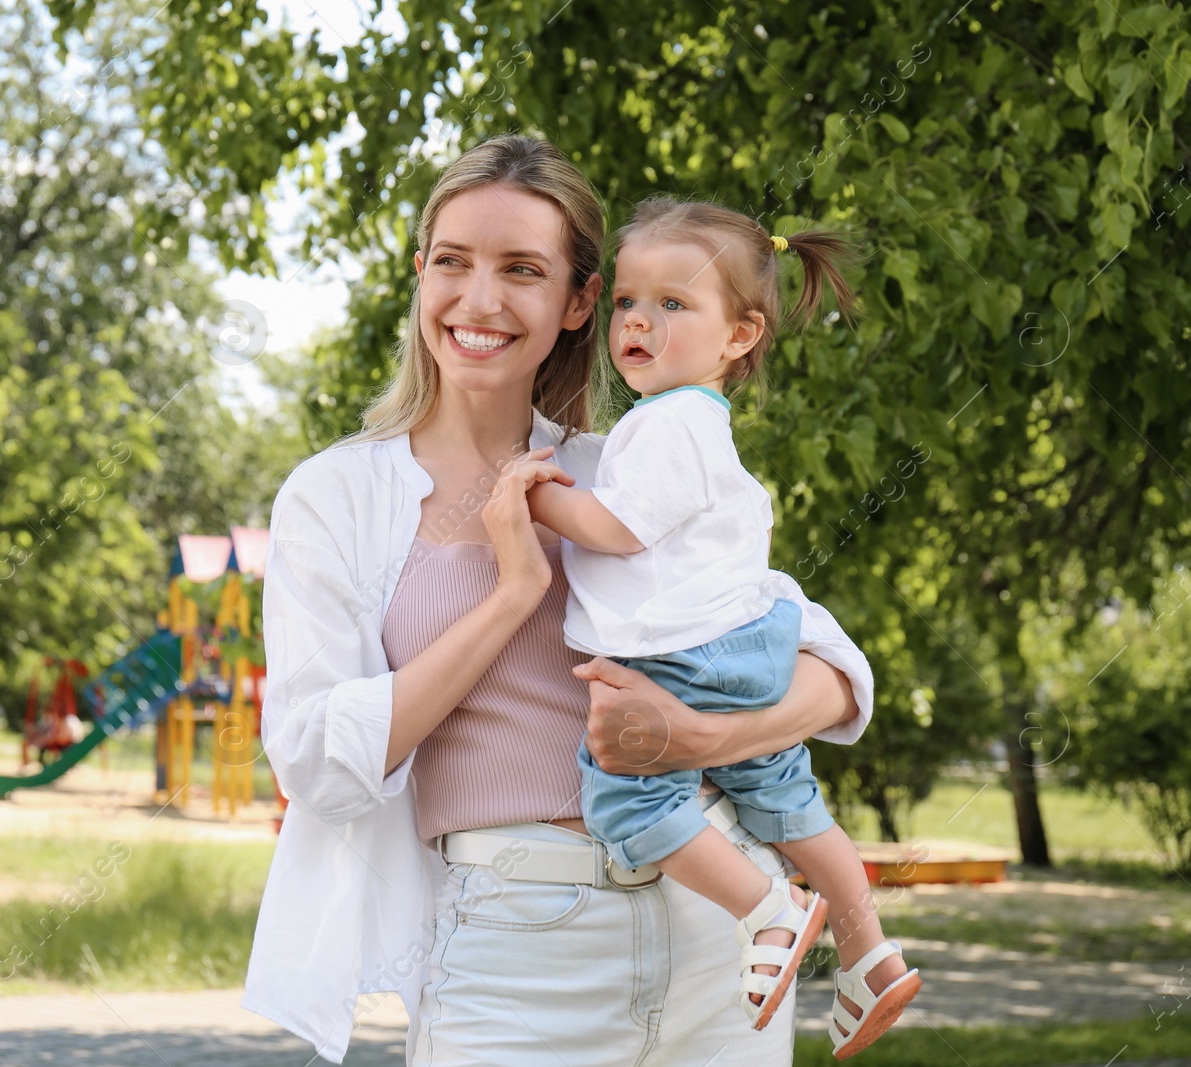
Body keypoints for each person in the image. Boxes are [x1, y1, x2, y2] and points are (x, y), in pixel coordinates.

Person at [242, 135, 876, 1067]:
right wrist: (512, 595)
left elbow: (827, 666)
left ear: (580, 301)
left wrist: (701, 741)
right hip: (512, 950)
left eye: (522, 270)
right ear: (420, 275)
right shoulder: (336, 497)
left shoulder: (621, 472)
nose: (480, 299)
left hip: (718, 925)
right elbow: (317, 759)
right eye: (452, 261)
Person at [524, 197, 919, 1059]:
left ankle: (767, 909)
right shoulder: (696, 426)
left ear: (738, 336)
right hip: (748, 646)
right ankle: (868, 948)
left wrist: (538, 492)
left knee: (629, 796)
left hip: (689, 656)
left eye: (674, 304)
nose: (638, 320)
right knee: (782, 794)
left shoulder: (665, 425)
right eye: (629, 300)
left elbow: (614, 529)